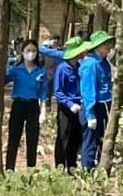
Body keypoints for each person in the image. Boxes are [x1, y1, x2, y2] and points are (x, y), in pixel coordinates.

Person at [5, 40, 50, 170]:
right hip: (18, 105)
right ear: (22, 52)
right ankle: (9, 169)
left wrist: (43, 110)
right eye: (28, 51)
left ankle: (31, 168)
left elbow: (43, 92)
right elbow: (3, 80)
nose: (31, 54)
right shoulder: (15, 69)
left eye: (33, 51)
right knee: (14, 138)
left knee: (32, 138)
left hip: (32, 106)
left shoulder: (41, 71)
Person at [78, 32, 115, 170]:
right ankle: (87, 171)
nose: (109, 48)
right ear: (97, 46)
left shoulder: (104, 62)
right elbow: (88, 90)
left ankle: (100, 169)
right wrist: (90, 114)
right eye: (106, 45)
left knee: (102, 140)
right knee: (90, 142)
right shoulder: (90, 64)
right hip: (94, 107)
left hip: (105, 105)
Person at [52, 36, 87, 171]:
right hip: (67, 108)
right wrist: (69, 104)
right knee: (63, 137)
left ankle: (71, 166)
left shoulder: (79, 67)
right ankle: (60, 166)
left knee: (76, 137)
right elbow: (58, 91)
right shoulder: (62, 68)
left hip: (79, 106)